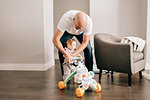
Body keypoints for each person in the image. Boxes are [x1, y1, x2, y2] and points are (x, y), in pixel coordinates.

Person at [52, 10, 93, 76]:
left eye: (82, 27)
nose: (79, 29)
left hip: (81, 34)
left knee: (88, 49)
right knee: (61, 49)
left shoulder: (89, 22)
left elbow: (85, 42)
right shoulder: (66, 18)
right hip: (67, 32)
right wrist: (66, 54)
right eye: (78, 26)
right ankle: (65, 75)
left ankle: (89, 74)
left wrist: (74, 54)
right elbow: (55, 40)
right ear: (73, 19)